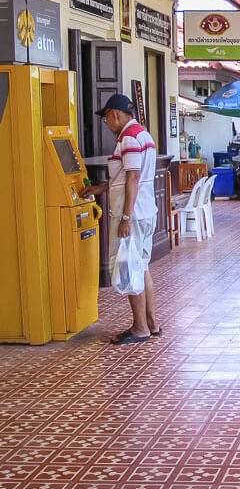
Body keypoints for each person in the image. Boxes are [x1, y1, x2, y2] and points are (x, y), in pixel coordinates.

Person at [80, 94, 160, 345]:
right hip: (146, 211)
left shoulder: (128, 138)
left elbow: (133, 178)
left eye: (106, 119)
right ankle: (151, 323)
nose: (106, 124)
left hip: (133, 215)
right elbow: (125, 179)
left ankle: (139, 328)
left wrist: (126, 216)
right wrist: (100, 189)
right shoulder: (144, 135)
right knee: (142, 266)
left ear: (114, 114)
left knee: (131, 268)